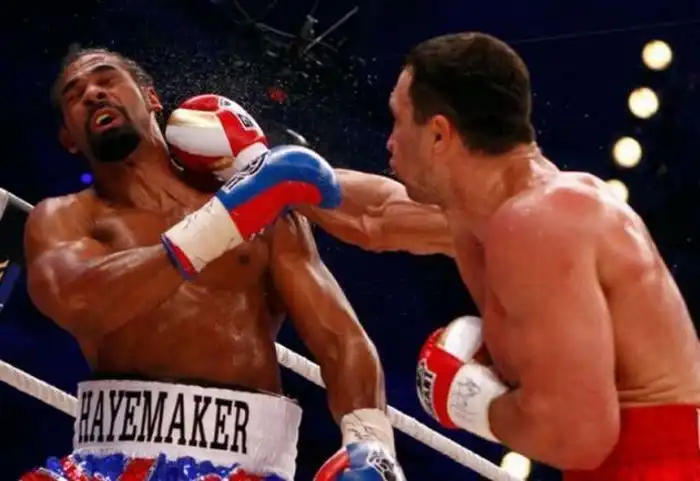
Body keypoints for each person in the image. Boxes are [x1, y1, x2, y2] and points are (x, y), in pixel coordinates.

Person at [20, 46, 404, 481]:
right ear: (69, 138)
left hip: (244, 464)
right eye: (75, 95)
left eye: (106, 79)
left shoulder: (263, 206)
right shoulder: (64, 217)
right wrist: (222, 223)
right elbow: (79, 301)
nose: (92, 93)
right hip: (106, 461)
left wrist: (369, 442)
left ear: (151, 98)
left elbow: (339, 338)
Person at [364, 31, 700, 480]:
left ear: (439, 134)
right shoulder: (488, 217)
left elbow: (578, 437)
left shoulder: (538, 222)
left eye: (398, 120)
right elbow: (375, 216)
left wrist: (467, 400)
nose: (390, 140)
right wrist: (275, 167)